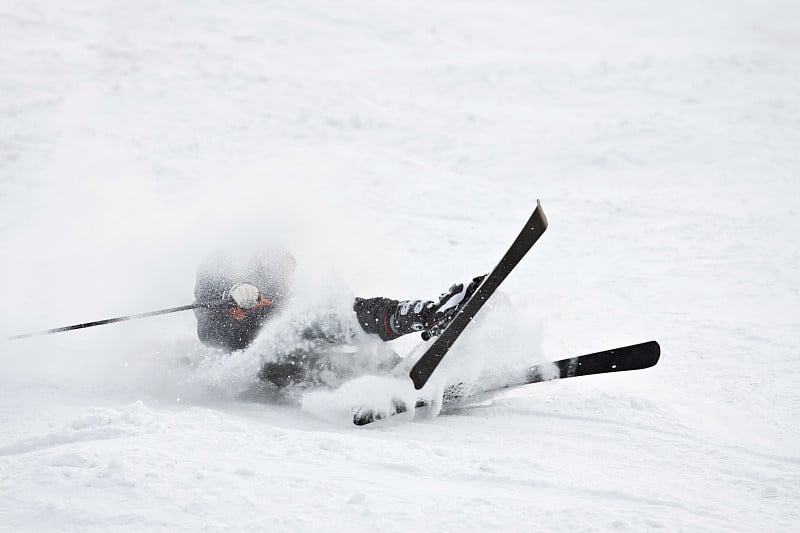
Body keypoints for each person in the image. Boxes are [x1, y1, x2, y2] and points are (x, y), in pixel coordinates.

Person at [193, 249, 484, 390]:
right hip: (273, 364)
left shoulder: (290, 299)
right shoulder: (228, 289)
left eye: (288, 274)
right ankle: (382, 383)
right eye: (278, 273)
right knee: (323, 348)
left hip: (305, 344)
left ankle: (427, 316)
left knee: (345, 317)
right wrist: (229, 295)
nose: (284, 281)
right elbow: (209, 329)